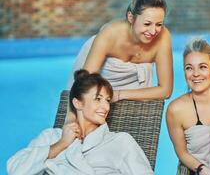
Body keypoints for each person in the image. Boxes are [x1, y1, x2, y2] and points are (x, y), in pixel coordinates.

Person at [7, 70, 153, 175]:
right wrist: (61, 144)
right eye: (98, 99)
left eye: (107, 100)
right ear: (77, 103)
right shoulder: (51, 137)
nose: (105, 106)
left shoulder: (121, 141)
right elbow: (16, 170)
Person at [67, 0, 173, 103]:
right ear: (131, 17)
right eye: (147, 23)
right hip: (97, 70)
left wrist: (118, 94)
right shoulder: (110, 33)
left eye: (159, 24)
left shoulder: (163, 36)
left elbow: (166, 91)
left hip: (121, 92)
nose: (153, 30)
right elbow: (85, 83)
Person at [166, 38, 210, 175]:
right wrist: (202, 169)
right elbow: (182, 152)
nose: (195, 74)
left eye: (202, 67)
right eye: (189, 68)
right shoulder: (176, 110)